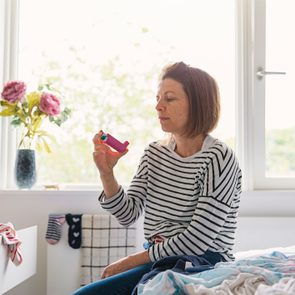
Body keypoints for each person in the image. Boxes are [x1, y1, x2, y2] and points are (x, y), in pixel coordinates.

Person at [73, 61, 242, 294]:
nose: (158, 106)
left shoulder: (219, 158)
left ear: (198, 104)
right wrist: (107, 173)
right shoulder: (154, 153)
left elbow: (197, 240)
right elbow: (127, 214)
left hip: (204, 262)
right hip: (159, 260)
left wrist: (130, 260)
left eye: (169, 99)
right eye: (158, 98)